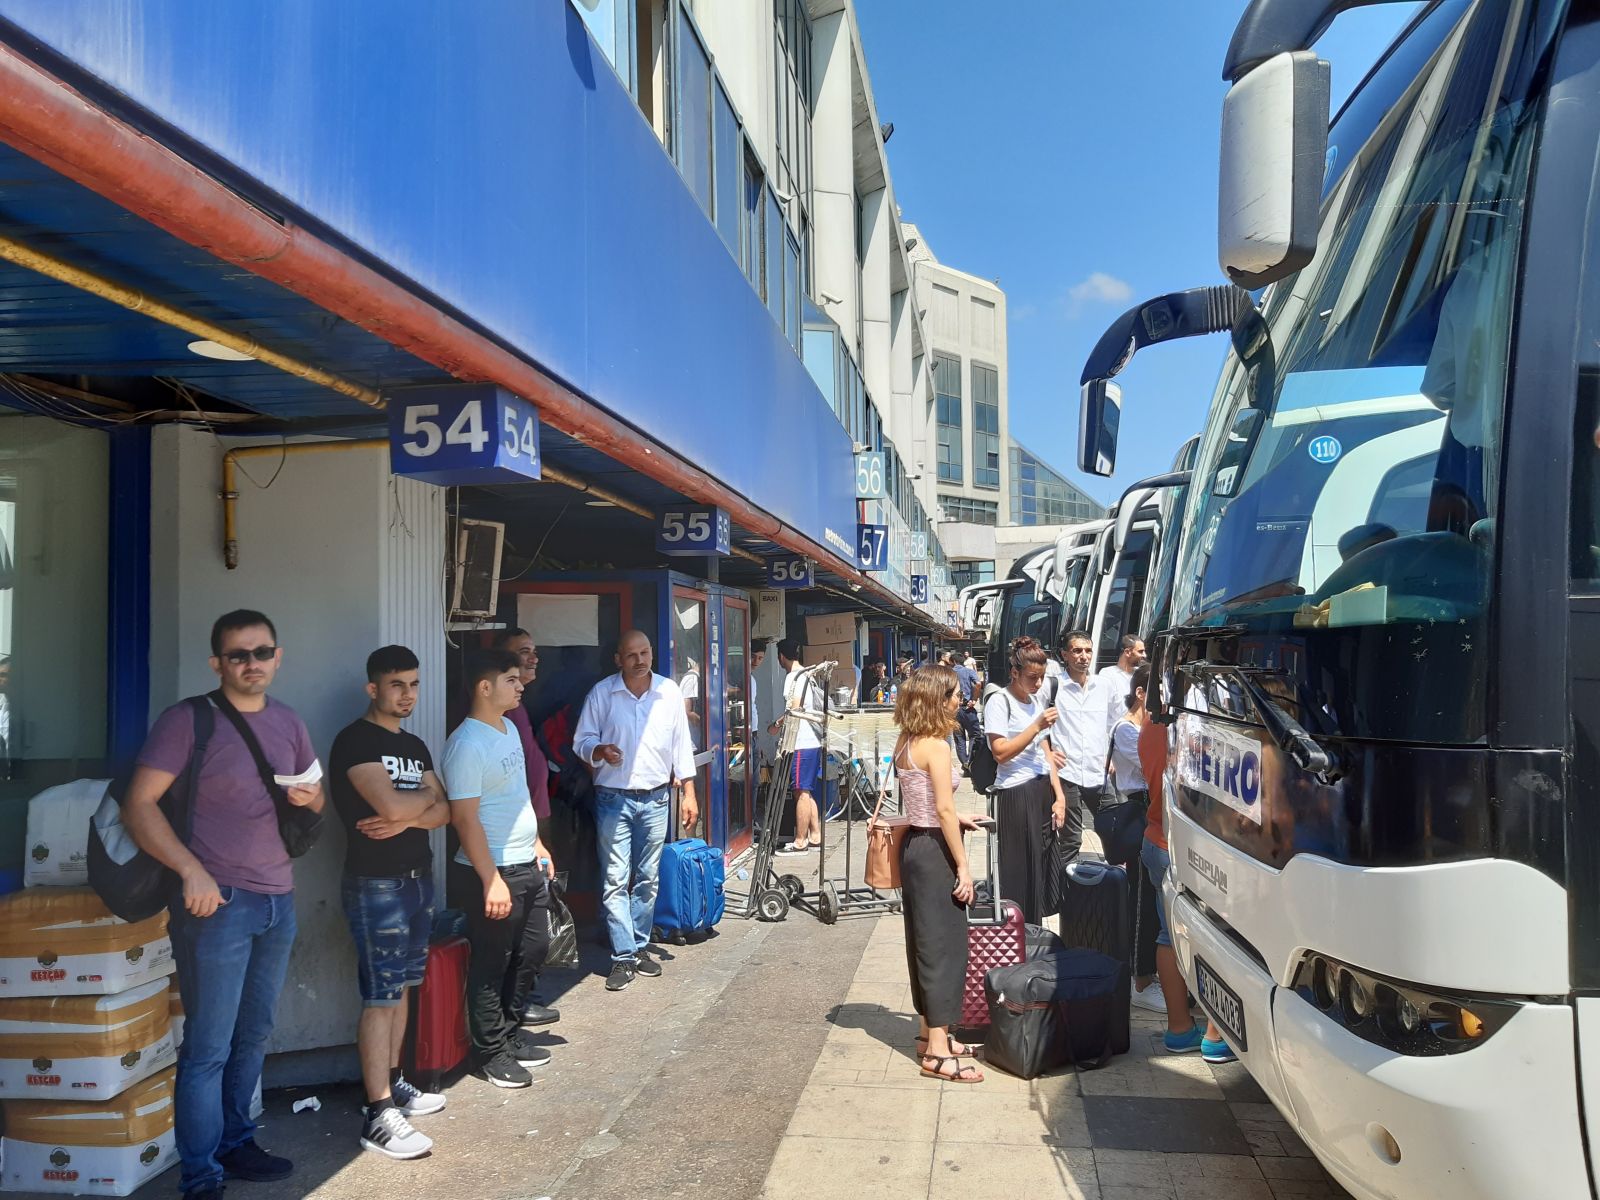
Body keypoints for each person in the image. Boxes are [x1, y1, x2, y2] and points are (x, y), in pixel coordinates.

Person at [125, 610, 321, 1200]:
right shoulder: (189, 721)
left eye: (261, 652)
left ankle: (238, 1144)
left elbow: (311, 803)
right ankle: (201, 1174)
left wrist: (313, 803)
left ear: (278, 656)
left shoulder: (288, 722)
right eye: (238, 655)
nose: (251, 664)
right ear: (217, 663)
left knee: (252, 1035)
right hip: (218, 904)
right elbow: (139, 805)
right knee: (208, 1047)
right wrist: (191, 871)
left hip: (277, 900)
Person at [330, 646, 451, 1160]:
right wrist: (414, 806)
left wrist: (409, 816)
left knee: (402, 988)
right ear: (373, 688)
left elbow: (445, 810)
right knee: (380, 997)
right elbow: (394, 803)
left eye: (414, 684)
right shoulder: (355, 741)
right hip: (375, 884)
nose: (408, 694)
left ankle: (396, 1083)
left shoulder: (417, 744)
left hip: (418, 879)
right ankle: (377, 1112)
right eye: (397, 684)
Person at [445, 649, 557, 1089]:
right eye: (511, 679)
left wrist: (536, 842)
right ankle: (489, 1054)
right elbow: (465, 819)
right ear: (484, 687)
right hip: (490, 875)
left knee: (530, 954)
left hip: (526, 863)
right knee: (491, 966)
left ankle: (510, 1037)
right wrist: (490, 879)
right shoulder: (466, 745)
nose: (521, 684)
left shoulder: (509, 728)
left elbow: (516, 796)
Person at [573, 630, 699, 992]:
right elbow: (581, 740)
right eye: (631, 655)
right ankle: (623, 955)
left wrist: (689, 792)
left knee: (647, 878)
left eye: (645, 652)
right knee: (615, 879)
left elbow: (681, 745)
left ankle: (640, 945)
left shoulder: (668, 692)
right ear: (618, 659)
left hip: (657, 798)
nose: (640, 660)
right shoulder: (602, 693)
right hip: (613, 798)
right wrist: (599, 750)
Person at [888, 666, 984, 1084]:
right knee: (944, 946)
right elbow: (942, 809)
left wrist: (956, 816)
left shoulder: (906, 742)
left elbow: (926, 803)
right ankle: (940, 1052)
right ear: (936, 699)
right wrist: (963, 864)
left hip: (914, 846)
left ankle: (931, 1033)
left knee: (923, 942)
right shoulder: (938, 747)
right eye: (952, 694)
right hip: (934, 852)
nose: (958, 700)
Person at [1139, 711, 1235, 1063]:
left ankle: (1179, 1027)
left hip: (1157, 837)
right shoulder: (1195, 723)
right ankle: (1216, 1032)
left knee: (1168, 935)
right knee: (1214, 937)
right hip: (1191, 846)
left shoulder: (1150, 724)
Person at [492, 629, 559, 1029]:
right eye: (522, 654)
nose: (532, 659)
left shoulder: (519, 707)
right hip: (517, 829)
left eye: (534, 652)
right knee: (519, 928)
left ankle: (524, 995)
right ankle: (514, 1006)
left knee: (536, 922)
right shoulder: (501, 715)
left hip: (535, 821)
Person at [981, 636, 1068, 925]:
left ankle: (1033, 932)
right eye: (1032, 677)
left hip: (1040, 790)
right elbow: (1000, 753)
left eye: (1042, 677)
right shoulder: (999, 701)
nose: (1039, 683)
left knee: (1040, 869)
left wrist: (1059, 796)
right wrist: (1036, 725)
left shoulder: (1034, 701)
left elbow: (1046, 751)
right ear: (1014, 672)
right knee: (1018, 872)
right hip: (1015, 794)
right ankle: (1016, 935)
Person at [1108, 667, 1163, 1014]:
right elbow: (1151, 768)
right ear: (1141, 693)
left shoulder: (1150, 727)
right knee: (1141, 897)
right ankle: (1140, 980)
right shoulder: (1127, 729)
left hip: (1154, 810)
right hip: (1138, 811)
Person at [1048, 630, 1117, 863]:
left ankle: (1115, 889)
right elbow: (1038, 727)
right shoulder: (1053, 687)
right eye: (1077, 651)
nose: (1084, 656)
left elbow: (1114, 723)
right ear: (1064, 654)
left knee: (1113, 829)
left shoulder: (1103, 686)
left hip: (1099, 771)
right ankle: (1064, 894)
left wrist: (1112, 755)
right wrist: (1048, 754)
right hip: (1068, 773)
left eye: (1088, 651)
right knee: (1071, 840)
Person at [769, 638, 823, 856]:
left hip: (802, 742)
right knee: (806, 790)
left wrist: (776, 725)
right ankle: (815, 835)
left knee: (800, 791)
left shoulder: (794, 676)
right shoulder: (808, 675)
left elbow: (795, 706)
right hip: (813, 741)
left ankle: (800, 841)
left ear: (781, 656)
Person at [1099, 635, 1146, 720]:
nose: (1144, 655)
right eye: (1140, 652)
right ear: (1127, 652)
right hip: (1117, 729)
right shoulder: (1108, 674)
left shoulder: (1141, 673)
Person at [951, 654, 982, 774]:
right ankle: (970, 762)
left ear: (953, 661)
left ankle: (965, 763)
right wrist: (974, 699)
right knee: (975, 735)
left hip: (954, 709)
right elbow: (978, 684)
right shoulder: (969, 671)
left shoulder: (949, 673)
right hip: (968, 708)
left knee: (959, 739)